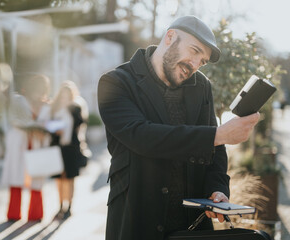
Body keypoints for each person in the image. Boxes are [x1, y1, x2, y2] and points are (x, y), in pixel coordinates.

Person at [97, 15, 260, 240]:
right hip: (135, 222)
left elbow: (216, 149)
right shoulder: (116, 83)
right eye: (194, 51)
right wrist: (217, 134)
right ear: (170, 37)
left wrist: (218, 190)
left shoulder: (201, 86)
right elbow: (141, 136)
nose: (195, 65)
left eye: (202, 61)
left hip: (191, 225)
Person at [1, 74, 51, 221]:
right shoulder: (18, 100)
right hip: (19, 142)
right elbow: (13, 120)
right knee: (16, 177)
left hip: (37, 144)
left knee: (36, 178)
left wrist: (45, 130)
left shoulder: (47, 105)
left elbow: (51, 124)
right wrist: (33, 127)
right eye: (38, 90)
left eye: (43, 90)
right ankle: (13, 214)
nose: (40, 94)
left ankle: (35, 214)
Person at [49, 81, 89, 220]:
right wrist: (55, 131)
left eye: (67, 95)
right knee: (59, 178)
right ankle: (60, 206)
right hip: (57, 147)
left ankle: (69, 207)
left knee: (70, 178)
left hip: (71, 148)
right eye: (62, 95)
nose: (64, 98)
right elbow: (49, 127)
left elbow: (80, 124)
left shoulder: (75, 109)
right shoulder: (54, 109)